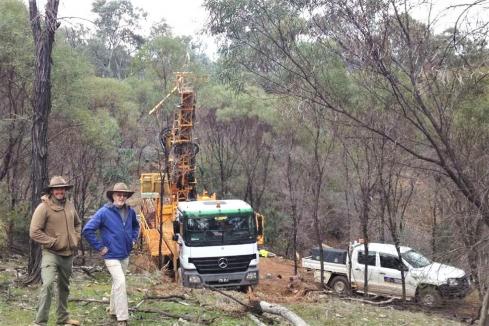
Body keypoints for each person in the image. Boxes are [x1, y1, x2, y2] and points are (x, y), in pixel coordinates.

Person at [82, 183, 140, 326]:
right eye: (118, 194)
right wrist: (100, 247)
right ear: (113, 196)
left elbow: (136, 226)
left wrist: (133, 240)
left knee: (117, 283)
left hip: (125, 254)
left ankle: (113, 310)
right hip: (111, 255)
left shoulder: (130, 211)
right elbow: (87, 230)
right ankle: (122, 318)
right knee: (120, 282)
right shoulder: (104, 212)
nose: (121, 197)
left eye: (124, 195)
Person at [29, 176, 81, 326]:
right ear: (52, 190)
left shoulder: (70, 205)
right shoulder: (43, 207)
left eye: (62, 188)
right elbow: (34, 232)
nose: (60, 191)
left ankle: (63, 319)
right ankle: (40, 322)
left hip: (68, 254)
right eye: (57, 188)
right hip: (51, 254)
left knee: (64, 287)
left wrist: (76, 238)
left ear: (65, 190)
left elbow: (77, 223)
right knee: (48, 284)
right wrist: (52, 242)